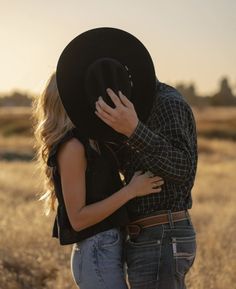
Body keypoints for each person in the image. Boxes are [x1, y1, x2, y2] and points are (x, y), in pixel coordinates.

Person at [32, 73, 164, 289]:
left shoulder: (90, 140)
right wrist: (130, 191)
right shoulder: (72, 147)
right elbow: (78, 219)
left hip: (104, 250)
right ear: (67, 100)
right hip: (96, 253)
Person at [95, 83, 198, 289]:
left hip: (161, 235)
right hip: (149, 236)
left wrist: (134, 130)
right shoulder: (131, 108)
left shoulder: (167, 103)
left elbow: (182, 168)